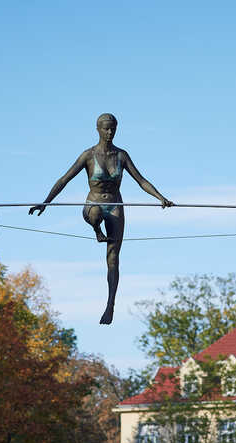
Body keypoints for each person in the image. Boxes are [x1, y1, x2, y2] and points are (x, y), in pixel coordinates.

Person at [29, 113, 173, 324]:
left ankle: (110, 305)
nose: (109, 132)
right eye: (105, 128)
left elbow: (141, 180)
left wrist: (161, 197)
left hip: (115, 205)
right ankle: (97, 231)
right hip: (93, 205)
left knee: (113, 258)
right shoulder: (88, 155)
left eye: (113, 128)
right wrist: (46, 202)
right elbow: (64, 179)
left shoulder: (121, 156)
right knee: (95, 212)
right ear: (97, 129)